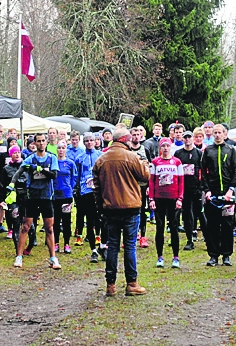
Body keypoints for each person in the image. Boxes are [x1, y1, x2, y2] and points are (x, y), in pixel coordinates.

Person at [93, 125, 149, 297]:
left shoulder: (101, 159)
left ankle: (110, 285)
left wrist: (100, 206)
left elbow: (96, 187)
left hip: (110, 208)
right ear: (125, 140)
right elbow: (145, 176)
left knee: (112, 246)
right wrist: (144, 165)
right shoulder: (132, 157)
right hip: (130, 207)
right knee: (130, 246)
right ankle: (131, 283)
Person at [14, 133, 60, 270]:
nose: (41, 143)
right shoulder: (30, 158)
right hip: (32, 196)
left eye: (43, 141)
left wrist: (41, 169)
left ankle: (53, 257)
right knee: (25, 226)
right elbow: (20, 171)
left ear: (46, 142)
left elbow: (54, 175)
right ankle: (19, 256)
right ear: (34, 143)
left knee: (49, 228)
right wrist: (11, 185)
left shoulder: (52, 158)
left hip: (46, 196)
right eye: (38, 141)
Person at [201, 124, 236, 266]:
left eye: (219, 132)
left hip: (227, 194)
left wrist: (231, 190)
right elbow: (203, 172)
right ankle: (213, 255)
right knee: (213, 226)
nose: (217, 135)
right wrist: (207, 190)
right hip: (212, 193)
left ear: (224, 134)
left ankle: (227, 255)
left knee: (228, 225)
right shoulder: (208, 151)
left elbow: (235, 171)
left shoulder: (230, 150)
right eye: (215, 132)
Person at [148, 137, 183, 269]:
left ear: (171, 147)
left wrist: (180, 198)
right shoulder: (155, 162)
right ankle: (160, 256)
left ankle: (175, 257)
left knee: (174, 227)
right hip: (159, 199)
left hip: (173, 199)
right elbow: (151, 182)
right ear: (160, 148)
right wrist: (151, 199)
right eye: (163, 146)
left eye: (168, 146)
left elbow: (181, 182)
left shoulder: (177, 162)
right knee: (160, 227)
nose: (166, 148)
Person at [73, 133, 103, 260]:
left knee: (101, 219)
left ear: (96, 141)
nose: (89, 142)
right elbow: (77, 176)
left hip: (99, 192)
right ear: (83, 142)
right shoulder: (80, 158)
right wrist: (76, 189)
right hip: (86, 193)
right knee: (90, 221)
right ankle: (93, 250)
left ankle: (103, 245)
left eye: (91, 140)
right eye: (87, 141)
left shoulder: (101, 155)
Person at [174, 130, 204, 250]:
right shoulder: (178, 153)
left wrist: (202, 186)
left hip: (196, 188)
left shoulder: (199, 153)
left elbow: (203, 170)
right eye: (185, 138)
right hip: (183, 189)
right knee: (187, 214)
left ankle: (207, 239)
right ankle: (189, 239)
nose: (187, 140)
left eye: (189, 137)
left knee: (200, 213)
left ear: (192, 139)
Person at [53, 142, 77, 254]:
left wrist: (70, 188)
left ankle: (67, 243)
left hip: (67, 195)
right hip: (55, 196)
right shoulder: (53, 162)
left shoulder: (70, 163)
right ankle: (56, 243)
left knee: (66, 220)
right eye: (59, 148)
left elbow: (74, 177)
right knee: (56, 220)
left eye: (63, 148)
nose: (61, 150)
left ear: (66, 149)